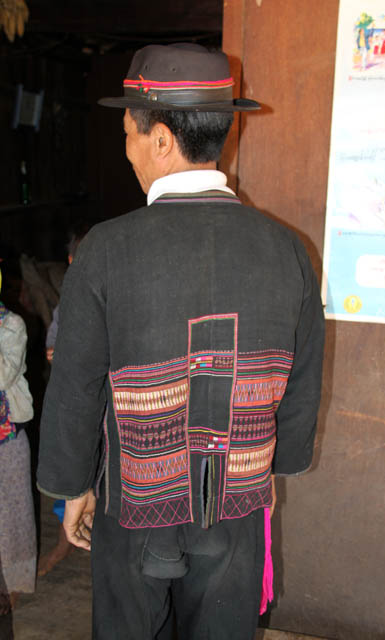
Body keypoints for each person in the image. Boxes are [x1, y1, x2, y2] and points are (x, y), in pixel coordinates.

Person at [37, 43, 325, 640]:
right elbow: (302, 379)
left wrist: (72, 486)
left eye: (128, 134)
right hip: (238, 499)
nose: (127, 150)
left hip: (134, 504)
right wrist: (275, 467)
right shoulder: (287, 250)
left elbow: (76, 387)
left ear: (162, 140)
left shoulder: (106, 249)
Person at [38, 224, 90, 577]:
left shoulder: (118, 294)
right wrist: (55, 351)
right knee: (70, 473)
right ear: (71, 262)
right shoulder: (68, 301)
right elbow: (54, 340)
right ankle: (63, 542)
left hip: (103, 401)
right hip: (73, 400)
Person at [0, 266, 36, 615]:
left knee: (13, 517)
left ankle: (12, 587)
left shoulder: (12, 325)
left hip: (6, 436)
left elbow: (3, 375)